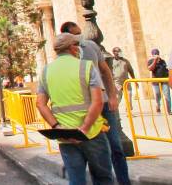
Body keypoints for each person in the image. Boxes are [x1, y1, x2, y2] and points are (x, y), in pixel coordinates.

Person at [36, 33, 114, 185]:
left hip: (65, 136)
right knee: (103, 178)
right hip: (91, 133)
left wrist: (57, 127)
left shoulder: (46, 71)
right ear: (72, 47)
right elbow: (97, 102)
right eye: (77, 45)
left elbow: (40, 104)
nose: (79, 49)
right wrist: (84, 129)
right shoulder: (86, 66)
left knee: (76, 179)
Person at [60, 22, 128, 185]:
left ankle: (124, 181)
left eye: (80, 33)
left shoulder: (91, 46)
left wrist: (112, 96)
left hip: (103, 104)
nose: (80, 36)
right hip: (84, 108)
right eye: (76, 34)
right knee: (89, 151)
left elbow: (105, 71)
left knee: (115, 146)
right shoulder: (64, 56)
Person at [147, 48, 171, 113]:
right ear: (152, 55)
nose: (156, 55)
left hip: (164, 81)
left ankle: (169, 110)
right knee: (157, 94)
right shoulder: (150, 61)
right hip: (156, 82)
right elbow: (150, 69)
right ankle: (158, 105)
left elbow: (167, 70)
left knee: (167, 95)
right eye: (154, 54)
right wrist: (155, 60)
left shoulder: (163, 61)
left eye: (157, 54)